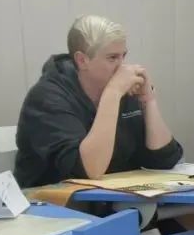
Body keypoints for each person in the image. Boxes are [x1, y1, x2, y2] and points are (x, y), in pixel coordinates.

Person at [15, 15, 182, 187]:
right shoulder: (48, 98)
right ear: (82, 60)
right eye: (112, 58)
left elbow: (165, 159)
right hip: (53, 199)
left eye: (123, 56)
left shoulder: (122, 89)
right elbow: (89, 170)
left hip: (117, 196)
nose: (122, 67)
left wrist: (148, 100)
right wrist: (113, 93)